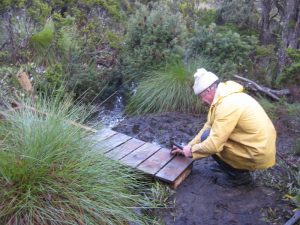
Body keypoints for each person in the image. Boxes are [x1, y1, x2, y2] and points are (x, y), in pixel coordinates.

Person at [171, 68, 277, 187]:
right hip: (255, 145)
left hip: (256, 152)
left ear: (209, 90)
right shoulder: (223, 97)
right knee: (208, 134)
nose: (202, 100)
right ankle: (230, 166)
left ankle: (240, 176)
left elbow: (214, 144)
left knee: (209, 138)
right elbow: (208, 125)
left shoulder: (227, 105)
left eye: (202, 96)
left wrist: (191, 152)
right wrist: (188, 146)